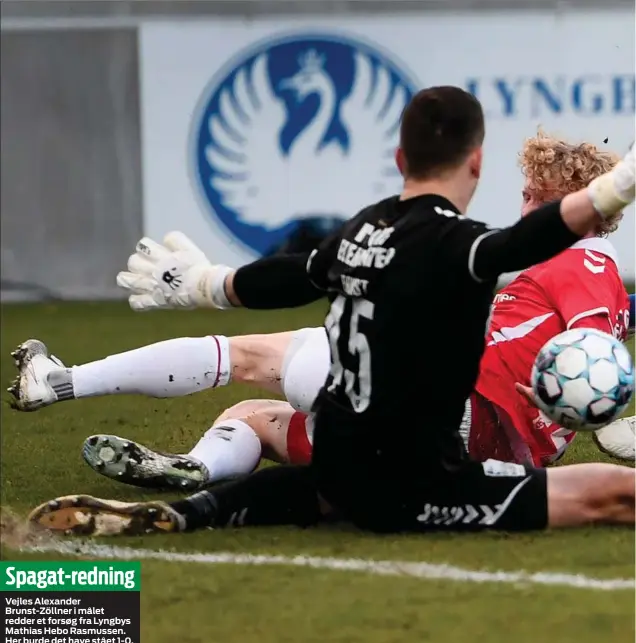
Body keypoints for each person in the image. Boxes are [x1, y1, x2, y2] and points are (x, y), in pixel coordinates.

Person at [26, 86, 636, 537]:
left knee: (259, 381)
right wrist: (616, 190)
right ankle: (187, 485)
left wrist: (209, 283)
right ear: (474, 163)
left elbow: (289, 275)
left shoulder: (364, 231)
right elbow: (535, 262)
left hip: (373, 451)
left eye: (536, 195)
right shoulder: (471, 244)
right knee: (607, 496)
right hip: (434, 467)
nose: (524, 201)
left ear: (400, 160)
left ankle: (167, 481)